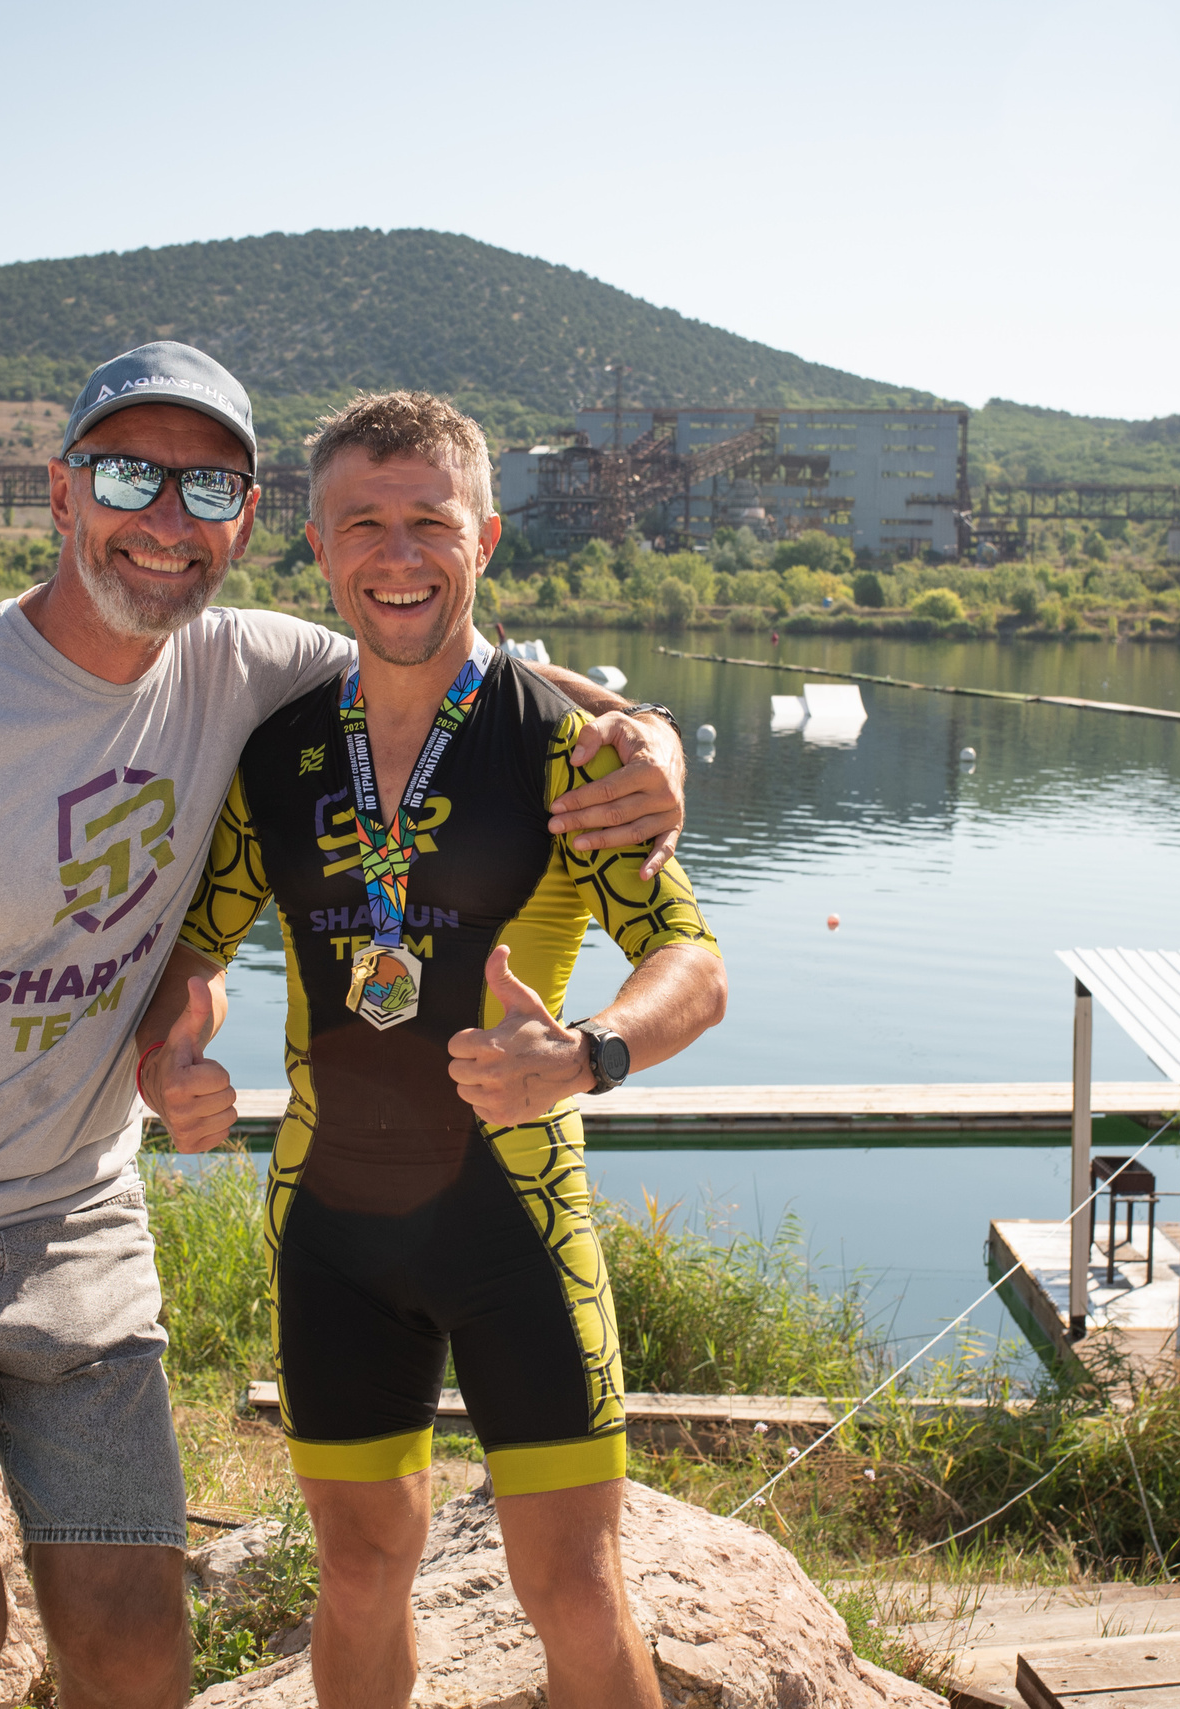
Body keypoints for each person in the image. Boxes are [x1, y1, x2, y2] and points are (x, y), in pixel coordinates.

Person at [0, 343, 688, 1709]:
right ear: (61, 490)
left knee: (139, 1652)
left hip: (79, 1233)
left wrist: (649, 739)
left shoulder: (254, 665)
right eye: (127, 474)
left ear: (244, 514)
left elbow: (452, 666)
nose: (164, 518)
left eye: (205, 483)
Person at [134, 391, 727, 1709]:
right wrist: (171, 1053)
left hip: (516, 1223)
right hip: (330, 1229)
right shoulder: (277, 754)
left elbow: (694, 966)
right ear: (318, 543)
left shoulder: (574, 751)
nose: (398, 553)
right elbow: (195, 950)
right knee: (354, 1571)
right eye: (366, 523)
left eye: (429, 523)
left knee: (571, 1585)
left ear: (488, 537)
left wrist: (588, 1055)